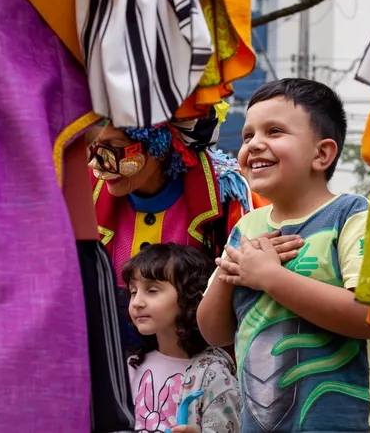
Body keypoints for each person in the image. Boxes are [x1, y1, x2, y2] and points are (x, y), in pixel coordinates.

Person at [197, 79, 370, 433]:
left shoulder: (351, 215)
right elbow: (214, 332)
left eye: (274, 131)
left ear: (322, 154)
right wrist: (230, 274)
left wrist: (269, 276)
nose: (254, 144)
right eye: (247, 135)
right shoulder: (246, 227)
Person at [89, 116, 303, 351]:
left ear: (160, 146)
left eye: (115, 150)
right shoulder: (84, 192)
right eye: (94, 148)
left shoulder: (230, 192)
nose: (96, 163)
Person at [122, 243, 241, 433]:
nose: (136, 303)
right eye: (133, 291)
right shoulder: (131, 366)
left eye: (152, 290)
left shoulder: (215, 375)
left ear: (190, 295)